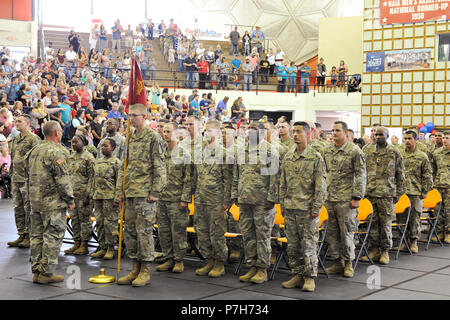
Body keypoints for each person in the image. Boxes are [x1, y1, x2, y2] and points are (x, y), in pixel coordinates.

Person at [116, 103, 166, 287]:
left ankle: (145, 269)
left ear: (144, 116)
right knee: (129, 232)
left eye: (134, 116)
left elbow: (159, 167)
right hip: (130, 192)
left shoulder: (153, 138)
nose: (130, 119)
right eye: (129, 116)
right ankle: (134, 267)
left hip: (145, 194)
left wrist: (155, 192)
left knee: (144, 232)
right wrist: (120, 191)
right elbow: (124, 166)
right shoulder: (129, 138)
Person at [279, 121, 326, 292]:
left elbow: (320, 186)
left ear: (307, 134)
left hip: (307, 210)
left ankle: (309, 277)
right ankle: (297, 273)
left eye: (299, 131)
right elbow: (282, 183)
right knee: (293, 245)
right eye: (294, 131)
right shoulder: (288, 157)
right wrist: (283, 204)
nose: (295, 134)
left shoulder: (315, 157)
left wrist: (316, 208)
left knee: (308, 245)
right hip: (290, 207)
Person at [26, 121, 75, 284]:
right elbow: (62, 180)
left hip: (36, 201)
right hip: (53, 203)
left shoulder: (34, 150)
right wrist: (70, 199)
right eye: (60, 131)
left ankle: (37, 271)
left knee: (37, 237)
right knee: (52, 236)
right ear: (56, 133)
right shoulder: (56, 152)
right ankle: (46, 273)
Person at [232, 122, 277, 284]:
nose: (250, 131)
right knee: (248, 236)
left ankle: (262, 269)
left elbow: (274, 178)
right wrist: (235, 195)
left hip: (261, 202)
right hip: (244, 200)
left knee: (262, 236)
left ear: (263, 133)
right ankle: (251, 266)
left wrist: (271, 199)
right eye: (249, 128)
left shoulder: (269, 151)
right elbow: (237, 175)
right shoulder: (241, 150)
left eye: (254, 129)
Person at [323, 121, 366, 278]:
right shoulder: (327, 150)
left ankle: (348, 263)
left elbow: (361, 175)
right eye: (333, 130)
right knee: (331, 232)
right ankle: (337, 262)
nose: (334, 133)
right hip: (329, 198)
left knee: (347, 231)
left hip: (346, 199)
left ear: (346, 132)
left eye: (337, 130)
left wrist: (356, 197)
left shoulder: (354, 151)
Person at [191, 120, 232, 278]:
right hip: (201, 199)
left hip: (217, 201)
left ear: (217, 134)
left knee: (216, 234)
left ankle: (219, 263)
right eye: (204, 131)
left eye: (209, 131)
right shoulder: (200, 153)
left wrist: (226, 202)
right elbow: (196, 176)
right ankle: (209, 260)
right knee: (202, 232)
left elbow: (228, 180)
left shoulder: (224, 154)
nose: (205, 134)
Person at [361, 126, 406, 265]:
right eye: (375, 134)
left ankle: (385, 250)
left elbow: (401, 174)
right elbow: (361, 172)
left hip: (387, 194)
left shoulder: (394, 152)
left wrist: (399, 193)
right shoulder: (367, 150)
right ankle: (374, 249)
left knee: (385, 223)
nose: (377, 137)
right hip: (370, 193)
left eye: (381, 134)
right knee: (372, 222)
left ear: (387, 136)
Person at [155, 122, 191, 273]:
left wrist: (185, 199)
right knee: (164, 232)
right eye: (164, 132)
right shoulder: (160, 152)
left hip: (177, 200)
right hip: (161, 199)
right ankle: (168, 258)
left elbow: (189, 179)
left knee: (178, 232)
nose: (165, 134)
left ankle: (179, 260)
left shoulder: (183, 154)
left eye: (168, 132)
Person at [7, 115, 41, 248]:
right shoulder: (15, 139)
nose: (16, 123)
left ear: (27, 123)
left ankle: (30, 236)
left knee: (28, 209)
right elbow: (13, 158)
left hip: (28, 180)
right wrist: (11, 176)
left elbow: (37, 160)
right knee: (18, 208)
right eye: (15, 121)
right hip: (17, 178)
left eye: (19, 121)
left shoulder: (34, 139)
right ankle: (22, 234)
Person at [398, 130, 433, 252]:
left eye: (409, 138)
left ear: (415, 140)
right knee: (401, 217)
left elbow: (427, 175)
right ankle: (404, 240)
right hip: (401, 192)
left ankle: (413, 241)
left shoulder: (421, 156)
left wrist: (425, 191)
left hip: (415, 191)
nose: (407, 141)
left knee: (414, 217)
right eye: (405, 139)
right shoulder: (399, 154)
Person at [90, 138, 121, 260]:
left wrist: (117, 198)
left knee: (110, 224)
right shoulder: (98, 162)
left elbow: (119, 181)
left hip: (110, 197)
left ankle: (110, 248)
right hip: (98, 197)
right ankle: (102, 247)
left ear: (113, 148)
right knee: (99, 223)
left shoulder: (116, 162)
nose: (103, 148)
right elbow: (94, 180)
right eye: (102, 146)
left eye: (106, 146)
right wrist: (92, 195)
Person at [63, 135, 95, 256]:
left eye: (77, 142)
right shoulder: (71, 157)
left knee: (84, 220)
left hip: (84, 195)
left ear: (84, 142)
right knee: (74, 220)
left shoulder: (88, 158)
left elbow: (92, 178)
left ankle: (84, 245)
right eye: (73, 142)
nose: (74, 144)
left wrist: (88, 195)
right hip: (72, 194)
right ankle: (76, 242)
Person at [431, 131, 450, 244]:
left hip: (449, 186)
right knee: (438, 210)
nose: (444, 140)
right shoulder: (436, 153)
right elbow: (433, 169)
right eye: (443, 138)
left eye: (447, 138)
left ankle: (448, 232)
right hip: (438, 185)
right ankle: (439, 232)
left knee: (448, 211)